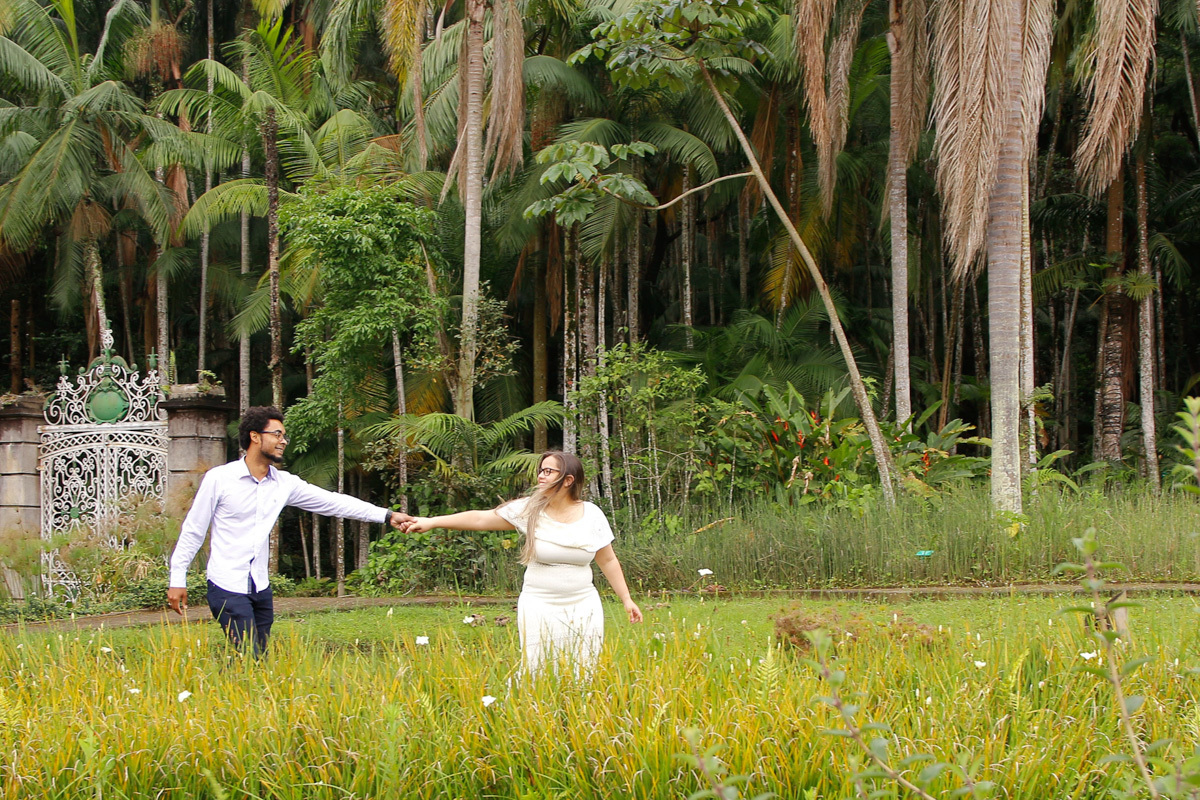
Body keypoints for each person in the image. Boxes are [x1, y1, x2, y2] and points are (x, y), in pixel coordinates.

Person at [167, 406, 409, 654]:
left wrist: (386, 515)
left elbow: (334, 502)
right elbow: (194, 530)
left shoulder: (284, 484)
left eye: (284, 436)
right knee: (249, 654)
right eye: (277, 434)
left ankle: (244, 691)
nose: (283, 441)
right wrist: (177, 579)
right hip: (227, 585)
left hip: (260, 587)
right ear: (255, 436)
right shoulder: (219, 479)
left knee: (256, 656)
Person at [402, 451, 642, 675]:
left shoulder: (591, 514)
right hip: (539, 603)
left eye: (549, 471)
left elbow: (608, 559)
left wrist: (626, 599)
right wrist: (433, 521)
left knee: (583, 667)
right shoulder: (529, 509)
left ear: (568, 480)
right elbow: (479, 518)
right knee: (538, 667)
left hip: (583, 604)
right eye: (541, 470)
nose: (540, 475)